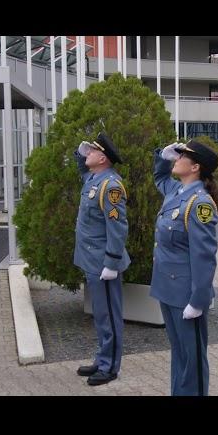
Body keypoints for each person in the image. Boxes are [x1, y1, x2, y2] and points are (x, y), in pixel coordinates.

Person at [151, 139, 218, 396]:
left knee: (192, 358)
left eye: (181, 157)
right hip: (168, 287)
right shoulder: (177, 191)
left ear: (195, 167)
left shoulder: (199, 203)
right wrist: (163, 156)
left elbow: (204, 255)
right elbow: (159, 177)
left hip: (185, 293)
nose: (176, 159)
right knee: (179, 352)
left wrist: (199, 299)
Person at [73, 132, 129, 386]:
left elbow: (117, 227)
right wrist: (79, 151)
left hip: (103, 262)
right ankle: (102, 357)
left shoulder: (110, 186)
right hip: (91, 259)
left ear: (103, 158)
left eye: (92, 151)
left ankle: (110, 366)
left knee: (109, 314)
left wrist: (111, 262)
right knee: (100, 313)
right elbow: (81, 165)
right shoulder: (94, 179)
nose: (88, 154)